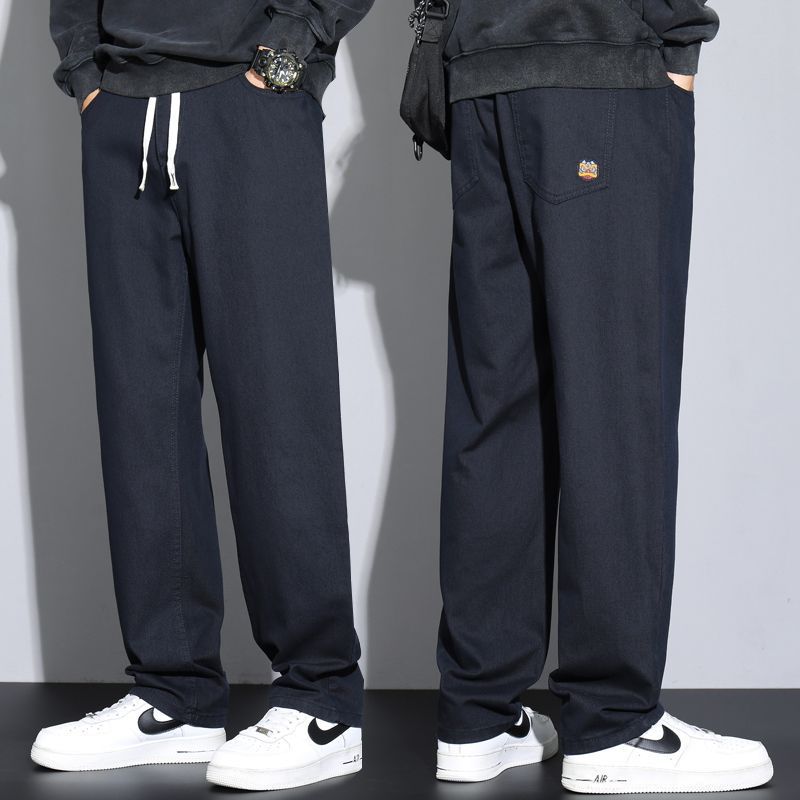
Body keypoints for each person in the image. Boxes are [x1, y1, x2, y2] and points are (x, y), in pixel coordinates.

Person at [431, 0, 775, 793]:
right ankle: (612, 724)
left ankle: (478, 716)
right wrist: (676, 32)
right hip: (599, 62)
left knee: (497, 407)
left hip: (482, 77)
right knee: (617, 404)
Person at [34, 0, 372, 791]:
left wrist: (286, 52)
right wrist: (86, 72)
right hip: (123, 106)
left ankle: (321, 695)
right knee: (141, 411)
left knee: (278, 408)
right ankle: (174, 692)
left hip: (248, 99)